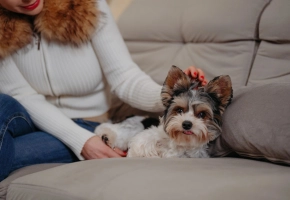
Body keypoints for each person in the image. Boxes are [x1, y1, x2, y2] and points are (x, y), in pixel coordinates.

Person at [0, 0, 208, 181]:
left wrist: (172, 94)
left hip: (87, 124)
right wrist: (83, 143)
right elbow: (22, 96)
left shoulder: (87, 6)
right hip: (28, 120)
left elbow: (125, 77)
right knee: (3, 102)